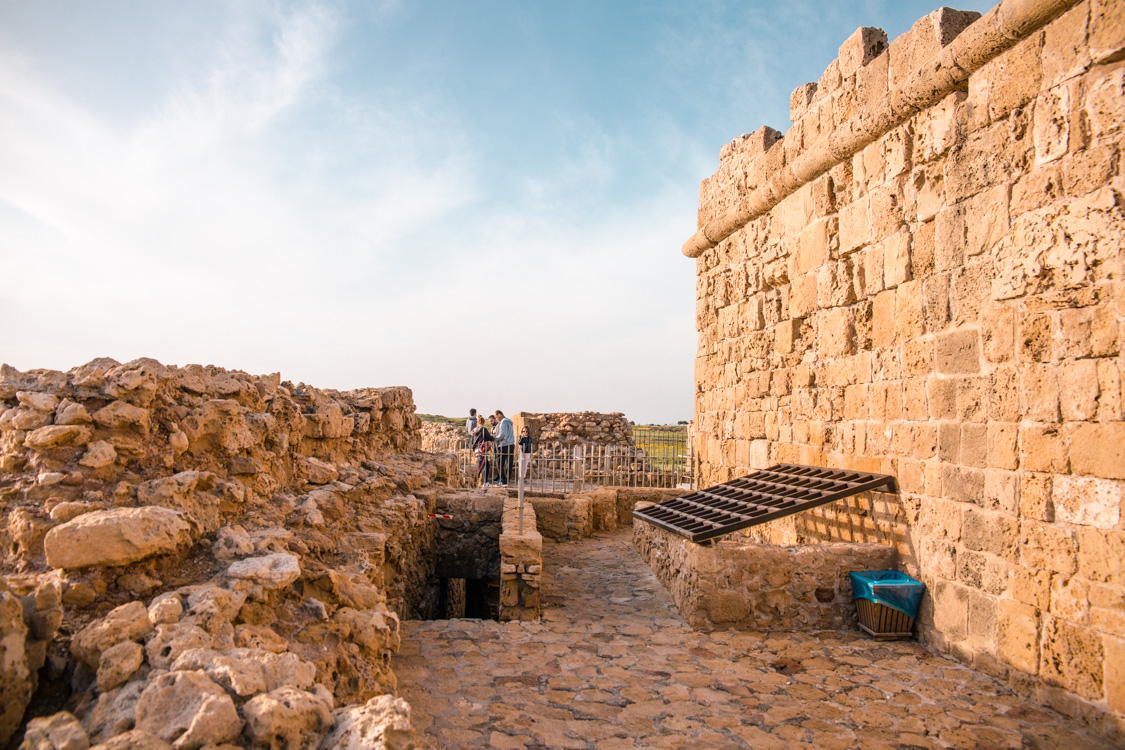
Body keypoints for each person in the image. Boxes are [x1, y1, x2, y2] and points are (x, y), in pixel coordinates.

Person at [492, 410, 515, 487]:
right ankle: (507, 480)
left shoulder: (503, 422)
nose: (496, 419)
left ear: (499, 415)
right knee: (509, 463)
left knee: (499, 463)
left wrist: (494, 439)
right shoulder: (509, 422)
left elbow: (503, 434)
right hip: (511, 444)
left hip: (504, 444)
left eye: (496, 417)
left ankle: (503, 481)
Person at [470, 419, 493, 487]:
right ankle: (484, 482)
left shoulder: (474, 430)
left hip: (477, 450)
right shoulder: (483, 429)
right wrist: (493, 437)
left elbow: (472, 442)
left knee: (482, 465)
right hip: (483, 449)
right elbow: (489, 438)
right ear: (483, 423)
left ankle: (479, 481)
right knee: (484, 466)